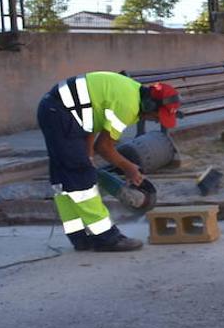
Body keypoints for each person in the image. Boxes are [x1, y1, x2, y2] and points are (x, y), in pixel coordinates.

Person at [36, 71, 180, 252]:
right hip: (61, 113)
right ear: (149, 104)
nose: (156, 120)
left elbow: (92, 122)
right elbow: (104, 147)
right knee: (82, 178)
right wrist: (129, 168)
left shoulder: (132, 92)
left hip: (58, 111)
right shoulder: (127, 105)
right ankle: (107, 238)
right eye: (157, 115)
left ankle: (80, 237)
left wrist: (88, 156)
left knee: (65, 179)